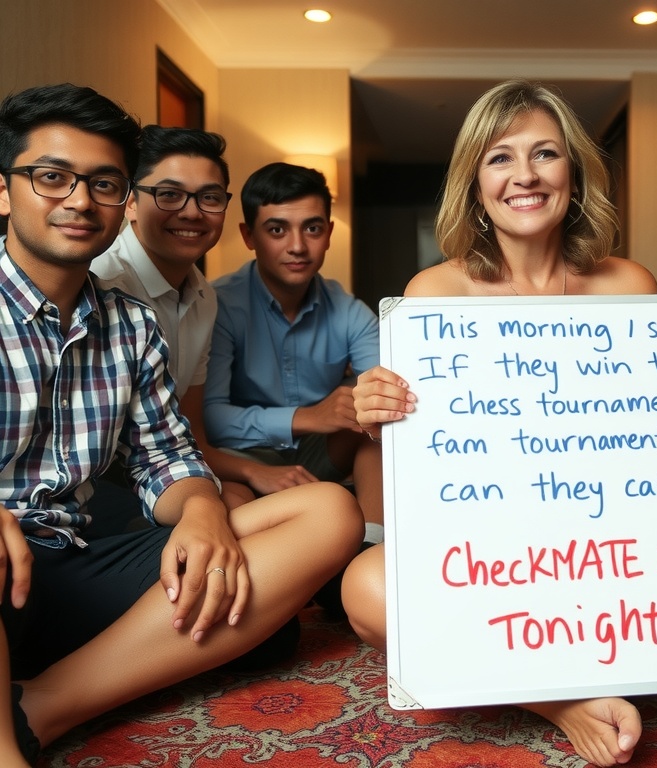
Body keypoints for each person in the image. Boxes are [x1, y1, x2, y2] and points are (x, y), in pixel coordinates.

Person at [344, 79, 657, 768]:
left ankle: (575, 652)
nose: (525, 175)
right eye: (500, 157)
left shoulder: (630, 284)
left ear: (573, 176)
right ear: (475, 183)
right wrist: (379, 409)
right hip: (495, 547)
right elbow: (427, 456)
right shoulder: (434, 292)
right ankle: (556, 699)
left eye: (545, 153)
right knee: (365, 586)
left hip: (617, 543)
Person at [0, 83, 362, 766]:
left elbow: (169, 450)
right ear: (3, 190)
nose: (79, 200)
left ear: (120, 202)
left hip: (72, 557)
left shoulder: (133, 324)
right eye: (52, 178)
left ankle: (39, 707)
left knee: (327, 513)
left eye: (101, 183)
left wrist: (200, 510)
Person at [205, 163, 384, 554]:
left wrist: (365, 402)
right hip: (241, 458)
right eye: (276, 230)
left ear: (329, 234)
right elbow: (211, 420)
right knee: (228, 498)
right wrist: (309, 417)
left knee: (376, 428)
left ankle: (371, 551)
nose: (298, 246)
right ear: (249, 236)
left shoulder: (350, 310)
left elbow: (383, 392)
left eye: (313, 228)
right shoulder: (218, 305)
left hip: (320, 454)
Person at [90, 125, 254, 510]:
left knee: (247, 497)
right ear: (130, 201)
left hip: (166, 470)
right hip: (94, 485)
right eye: (169, 195)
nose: (192, 212)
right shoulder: (99, 281)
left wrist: (249, 471)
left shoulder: (204, 296)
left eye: (209, 197)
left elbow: (190, 427)